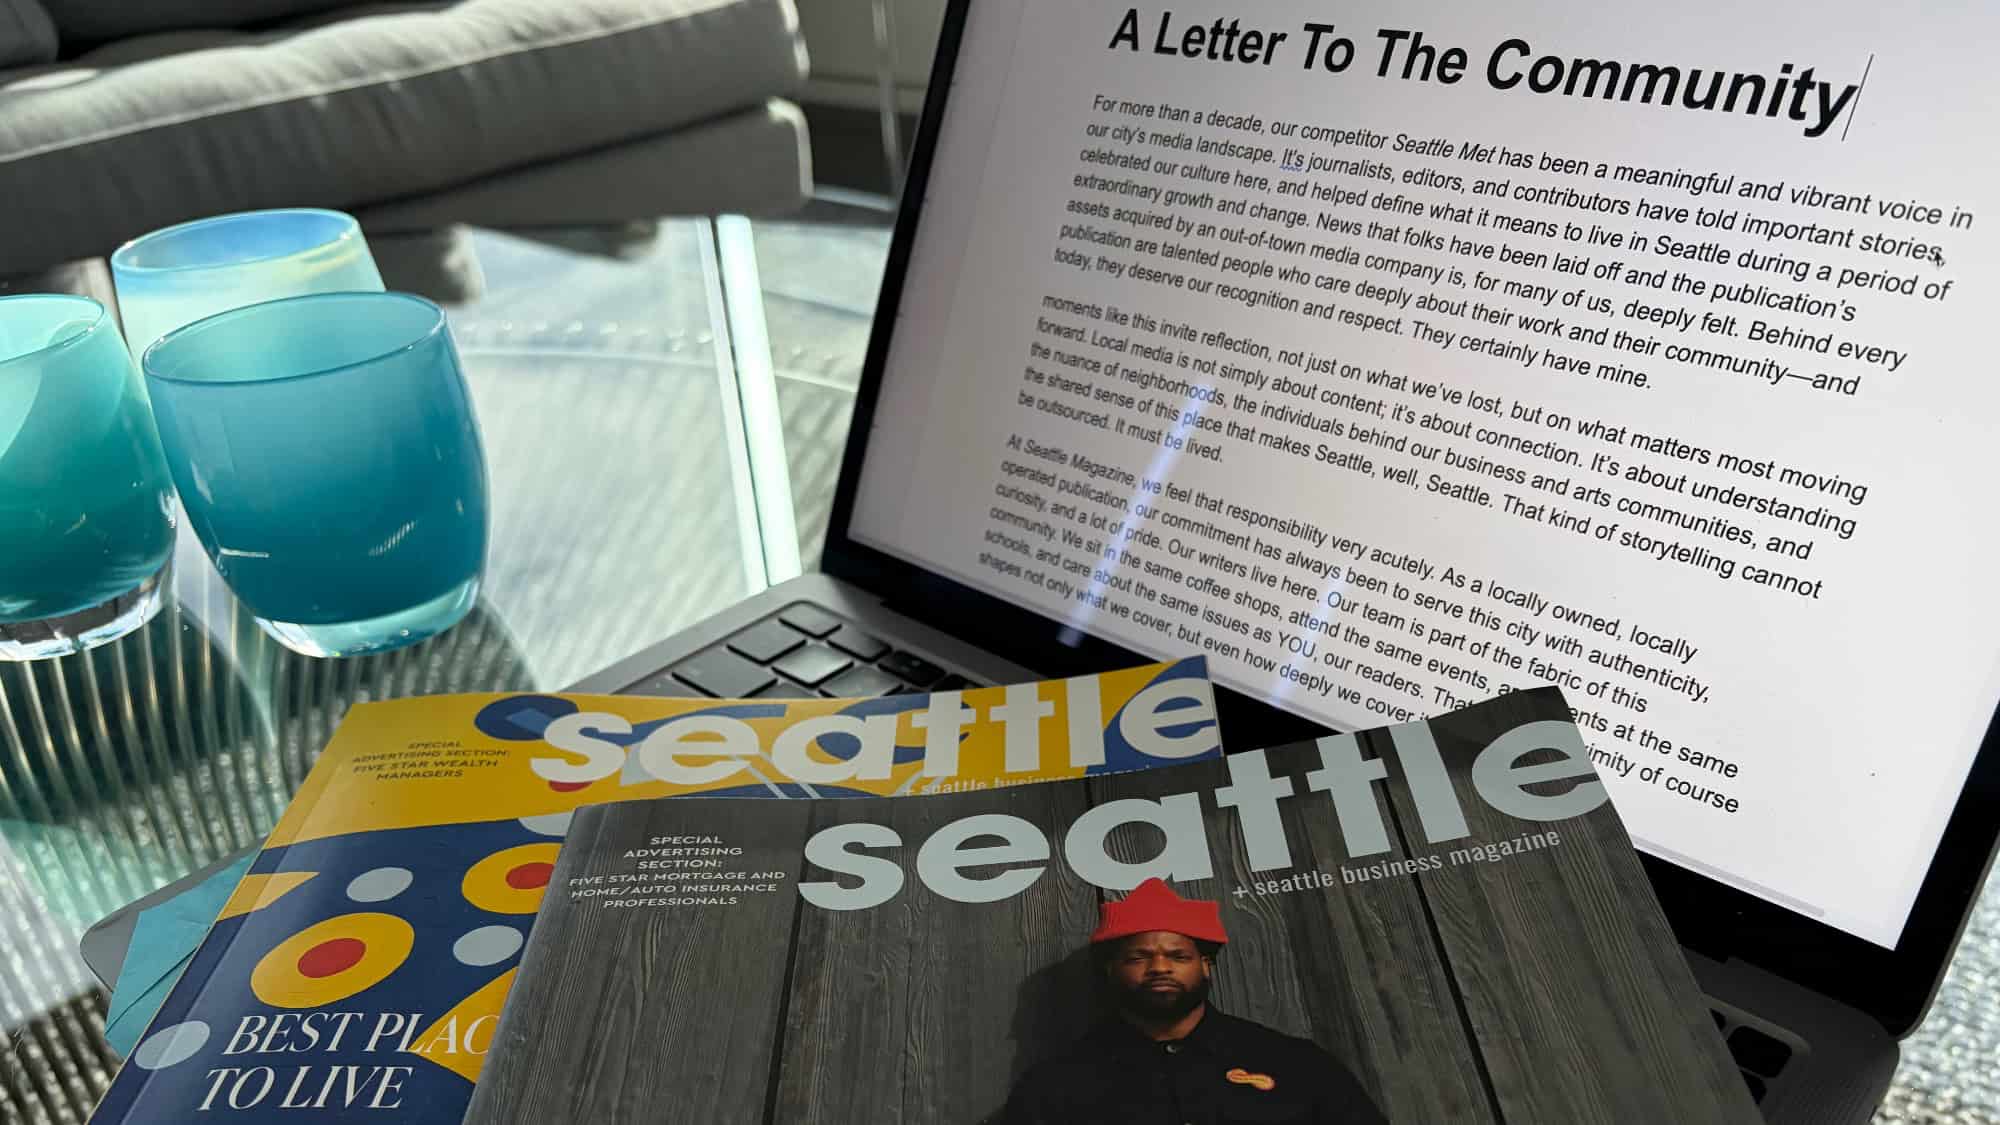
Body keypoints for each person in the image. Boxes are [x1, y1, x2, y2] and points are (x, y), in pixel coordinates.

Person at [1002, 877, 1387, 1124]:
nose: (1159, 967)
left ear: (1206, 966)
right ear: (1110, 970)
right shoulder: (1055, 1087)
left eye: (1178, 956)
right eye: (1138, 957)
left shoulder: (1294, 1064)